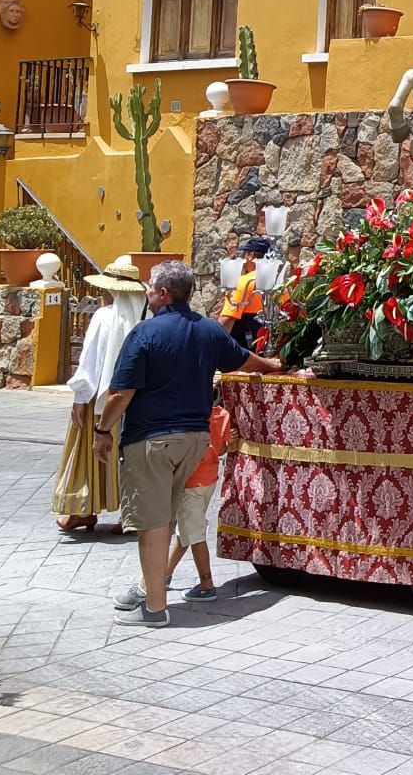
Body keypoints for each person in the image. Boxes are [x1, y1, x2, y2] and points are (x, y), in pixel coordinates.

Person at [97, 261, 282, 626]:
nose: (147, 292)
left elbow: (122, 393)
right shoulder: (209, 331)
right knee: (165, 518)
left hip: (152, 441)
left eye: (150, 287)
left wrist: (103, 430)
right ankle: (148, 588)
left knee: (152, 525)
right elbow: (245, 361)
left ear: (164, 294)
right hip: (195, 440)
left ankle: (153, 608)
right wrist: (273, 365)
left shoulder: (145, 333)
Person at [52, 256, 147, 533]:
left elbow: (90, 362)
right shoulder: (146, 319)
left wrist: (79, 399)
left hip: (102, 399)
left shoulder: (104, 317)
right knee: (134, 456)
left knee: (87, 454)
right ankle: (131, 515)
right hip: (138, 399)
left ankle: (84, 510)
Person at [163, 399, 231, 603]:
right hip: (208, 480)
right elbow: (222, 449)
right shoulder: (221, 415)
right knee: (186, 531)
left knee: (195, 533)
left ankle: (206, 584)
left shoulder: (184, 414)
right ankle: (165, 573)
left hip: (190, 482)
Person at [217, 237, 269, 350]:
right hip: (269, 345)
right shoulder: (278, 283)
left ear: (251, 255)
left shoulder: (243, 282)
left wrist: (212, 345)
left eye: (245, 254)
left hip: (245, 349)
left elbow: (227, 320)